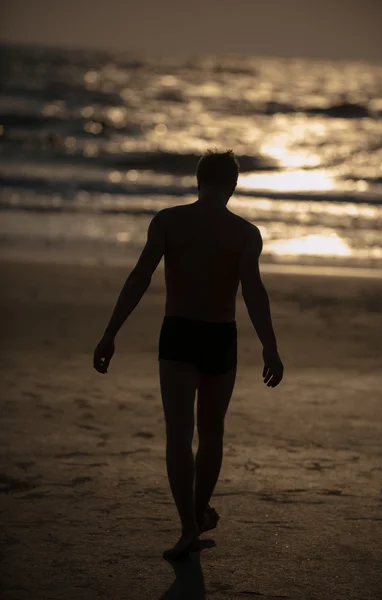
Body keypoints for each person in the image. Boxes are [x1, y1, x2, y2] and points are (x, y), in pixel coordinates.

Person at [93, 149, 284, 559]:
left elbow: (139, 278)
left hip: (178, 334)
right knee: (212, 432)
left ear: (198, 181)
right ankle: (196, 518)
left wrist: (111, 332)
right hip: (221, 337)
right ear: (233, 185)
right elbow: (253, 292)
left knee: (179, 435)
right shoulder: (246, 233)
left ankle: (187, 528)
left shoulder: (168, 221)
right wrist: (270, 346)